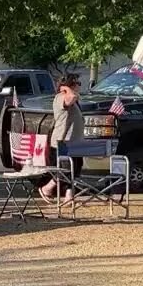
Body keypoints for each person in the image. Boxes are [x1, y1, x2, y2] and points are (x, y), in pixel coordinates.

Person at [40, 73, 84, 203]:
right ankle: (46, 189)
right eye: (77, 83)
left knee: (75, 169)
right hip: (62, 142)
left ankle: (69, 196)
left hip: (75, 142)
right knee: (65, 170)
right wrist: (65, 88)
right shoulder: (61, 97)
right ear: (70, 85)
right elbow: (71, 98)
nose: (79, 86)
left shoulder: (74, 99)